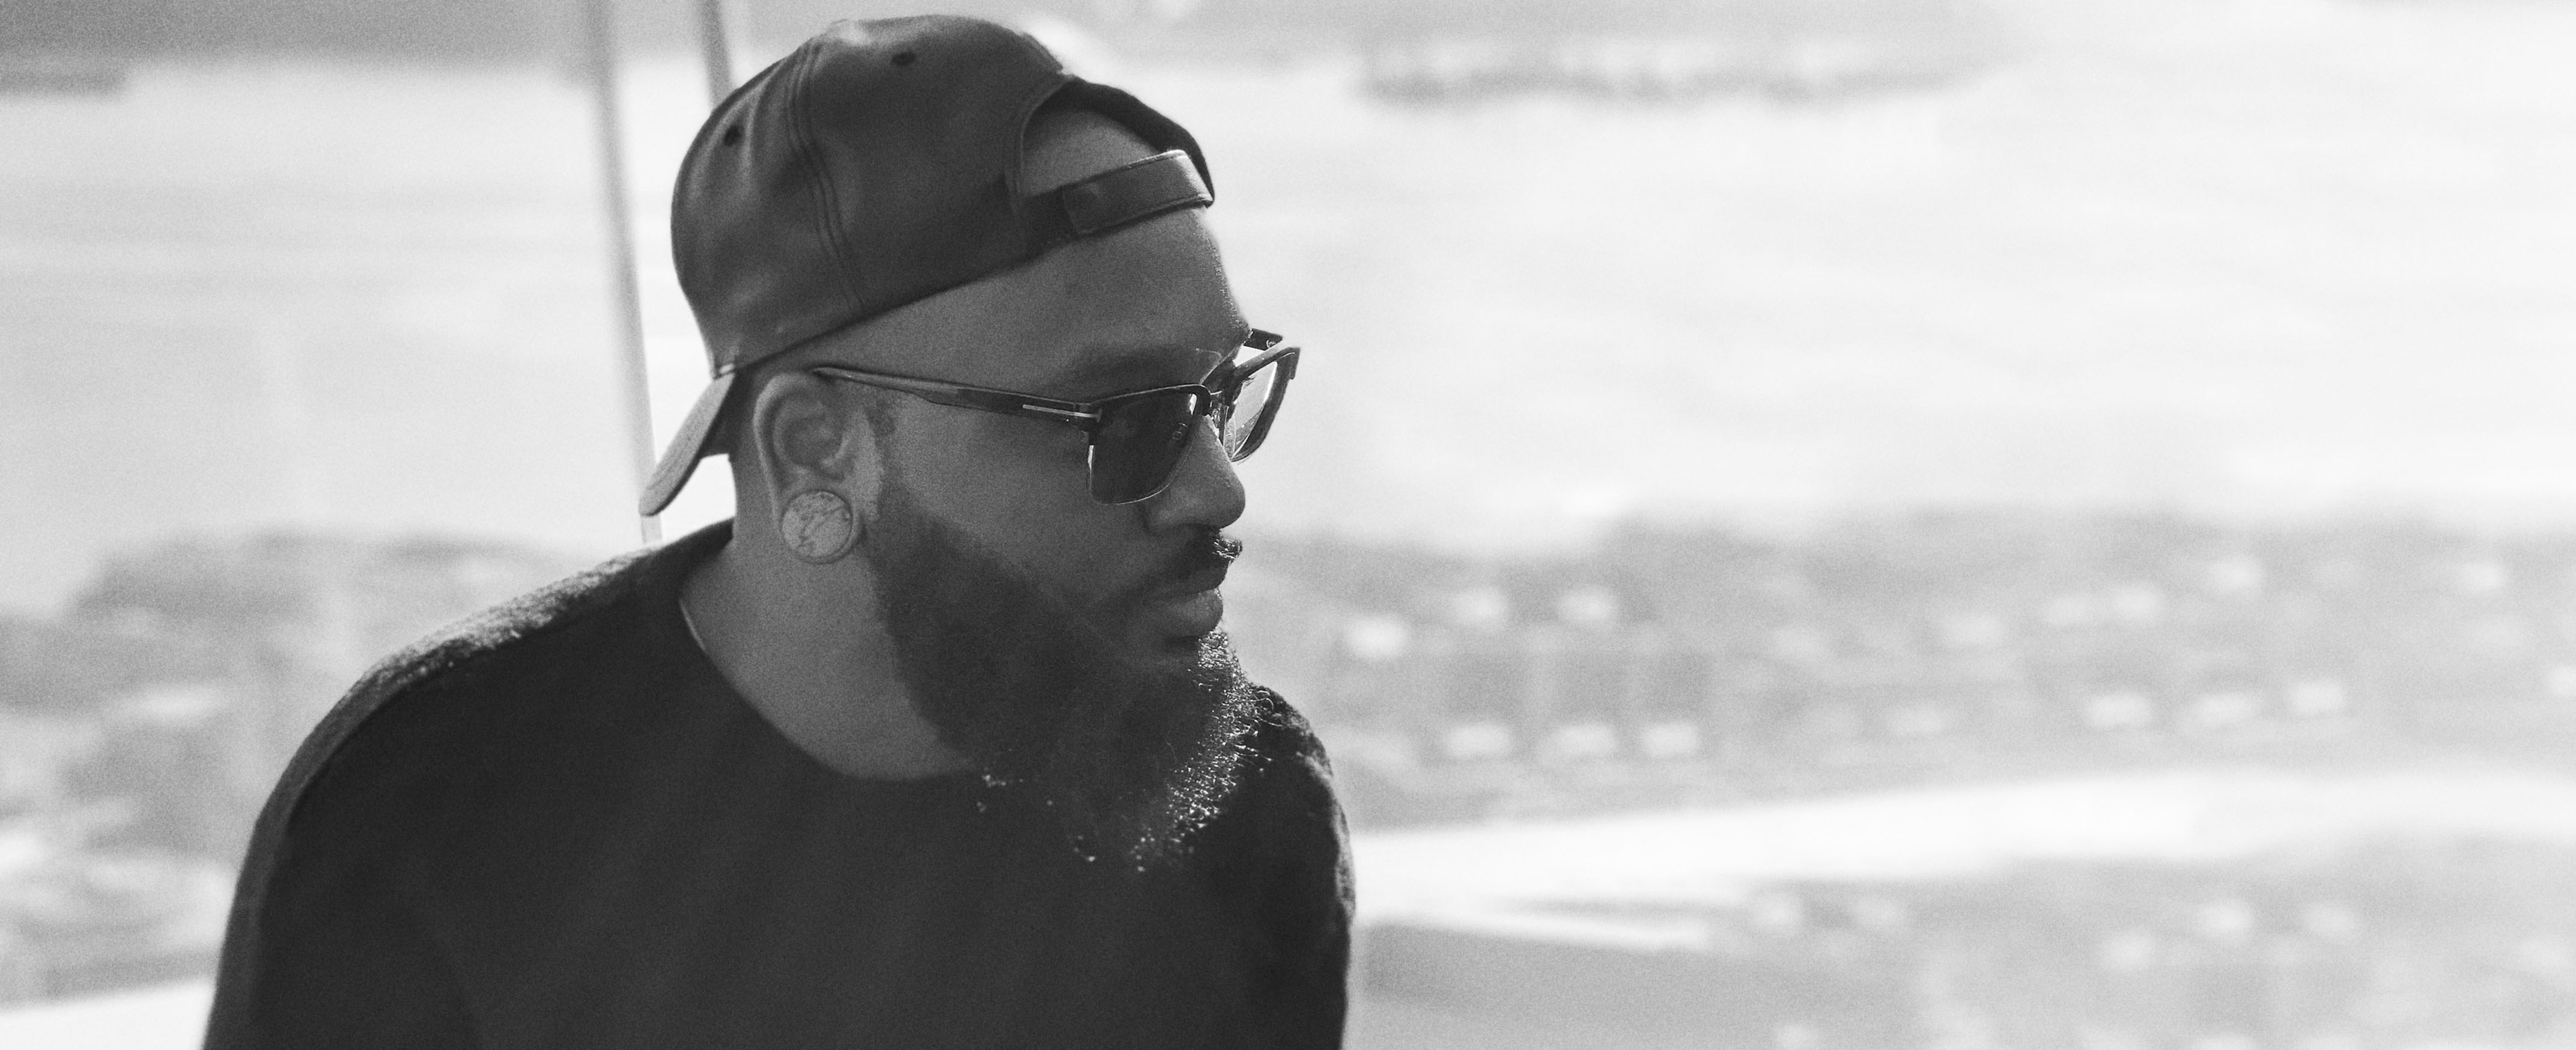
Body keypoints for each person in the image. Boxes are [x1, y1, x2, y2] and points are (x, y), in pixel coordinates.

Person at [203, 15, 1351, 1048]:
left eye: (1220, 393)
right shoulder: (426, 809)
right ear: (814, 446)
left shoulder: (1247, 807)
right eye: (1125, 418)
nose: (1218, 492)